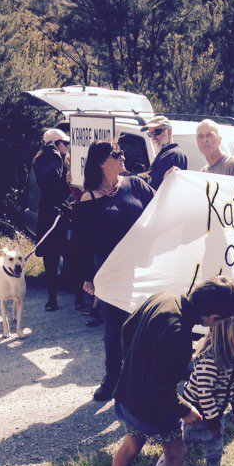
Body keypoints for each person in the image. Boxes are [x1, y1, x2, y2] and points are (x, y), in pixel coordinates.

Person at [94, 276, 234, 466]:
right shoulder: (179, 337)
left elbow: (126, 328)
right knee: (176, 452)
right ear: (212, 316)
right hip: (149, 407)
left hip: (127, 395)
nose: (218, 326)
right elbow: (159, 387)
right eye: (221, 322)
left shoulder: (164, 297)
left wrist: (133, 365)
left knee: (131, 443)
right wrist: (186, 409)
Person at [144, 310, 234, 466]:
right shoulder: (211, 360)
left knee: (215, 451)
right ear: (224, 333)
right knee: (174, 452)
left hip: (215, 414)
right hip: (192, 414)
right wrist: (212, 419)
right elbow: (204, 391)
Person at [75, 140, 155, 401]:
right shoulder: (88, 199)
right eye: (115, 154)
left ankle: (140, 378)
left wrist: (174, 181)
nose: (122, 157)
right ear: (101, 162)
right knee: (114, 326)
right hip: (111, 271)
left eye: (121, 153)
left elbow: (162, 207)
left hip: (143, 267)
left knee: (144, 323)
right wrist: (88, 277)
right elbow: (83, 243)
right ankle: (112, 377)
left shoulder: (135, 185)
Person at [32, 128, 72, 311]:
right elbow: (51, 177)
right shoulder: (40, 163)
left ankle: (79, 296)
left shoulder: (69, 161)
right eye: (64, 143)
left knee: (74, 253)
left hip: (68, 210)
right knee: (51, 256)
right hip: (49, 214)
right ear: (53, 145)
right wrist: (55, 157)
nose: (67, 146)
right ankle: (52, 298)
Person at [141, 115, 187, 190]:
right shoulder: (163, 154)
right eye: (150, 134)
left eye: (157, 132)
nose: (153, 137)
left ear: (169, 131)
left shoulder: (174, 154)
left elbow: (157, 186)